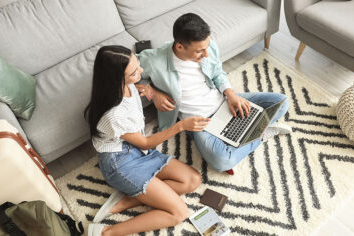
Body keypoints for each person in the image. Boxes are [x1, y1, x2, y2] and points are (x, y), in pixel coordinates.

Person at [136, 13, 291, 174]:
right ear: (180, 46)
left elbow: (217, 72)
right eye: (200, 51)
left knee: (281, 102)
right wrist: (152, 93)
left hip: (224, 103)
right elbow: (125, 73)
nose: (206, 54)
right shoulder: (154, 60)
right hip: (200, 123)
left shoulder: (208, 46)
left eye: (206, 47)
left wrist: (231, 95)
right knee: (222, 162)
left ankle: (244, 136)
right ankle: (261, 134)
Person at [84, 45, 209, 236]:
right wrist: (181, 126)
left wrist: (151, 92)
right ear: (117, 78)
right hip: (121, 162)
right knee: (179, 213)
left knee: (192, 179)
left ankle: (132, 199)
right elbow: (144, 143)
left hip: (136, 151)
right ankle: (106, 232)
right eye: (134, 72)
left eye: (138, 65)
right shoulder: (114, 113)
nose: (141, 71)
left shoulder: (126, 85)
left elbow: (137, 89)